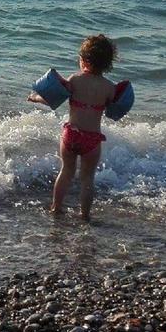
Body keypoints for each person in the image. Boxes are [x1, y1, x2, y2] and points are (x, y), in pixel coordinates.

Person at [29, 34, 118, 221]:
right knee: (87, 178)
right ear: (108, 64)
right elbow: (116, 110)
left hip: (71, 135)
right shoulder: (109, 88)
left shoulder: (75, 80)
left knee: (66, 171)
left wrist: (34, 97)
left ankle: (56, 207)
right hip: (92, 140)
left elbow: (53, 99)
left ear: (83, 60)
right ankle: (84, 215)